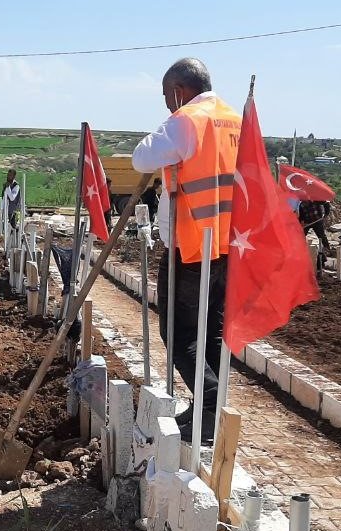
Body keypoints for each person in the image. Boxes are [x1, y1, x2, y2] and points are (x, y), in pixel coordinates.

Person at [132, 57, 240, 445]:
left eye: (166, 96)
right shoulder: (234, 120)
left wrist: (169, 122)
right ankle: (207, 414)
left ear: (178, 89)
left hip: (192, 245)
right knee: (210, 332)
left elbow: (142, 157)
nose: (166, 105)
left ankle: (210, 405)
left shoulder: (188, 119)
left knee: (178, 334)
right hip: (228, 243)